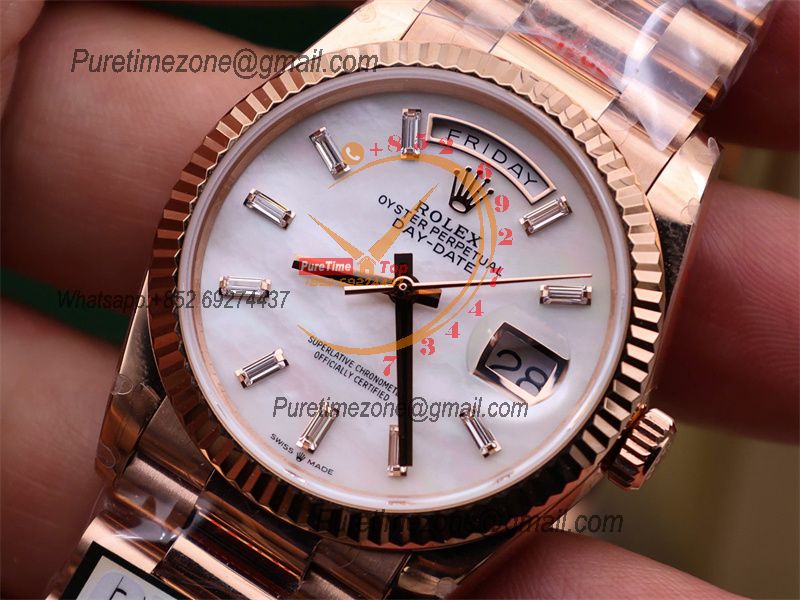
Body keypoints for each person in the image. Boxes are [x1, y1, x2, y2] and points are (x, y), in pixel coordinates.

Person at [1, 2, 797, 597]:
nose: (404, 290)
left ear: (626, 433)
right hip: (193, 435)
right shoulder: (403, 25)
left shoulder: (664, 186)